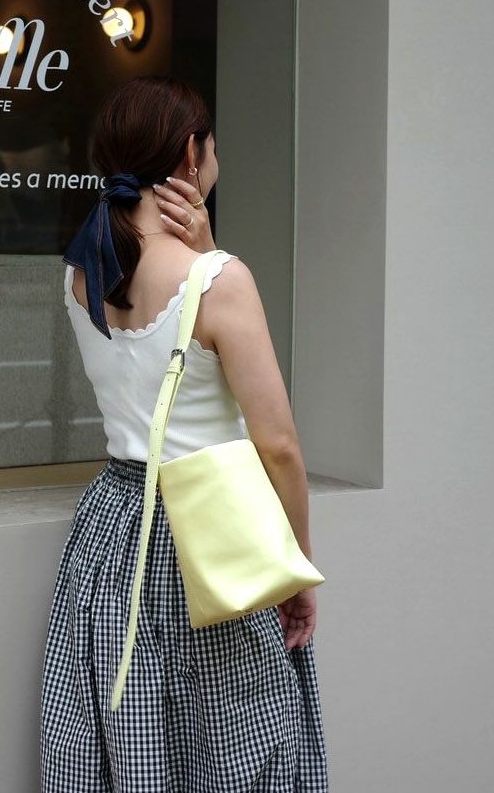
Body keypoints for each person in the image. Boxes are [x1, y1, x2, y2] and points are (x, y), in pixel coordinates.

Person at [40, 76, 328, 792]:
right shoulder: (220, 280)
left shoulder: (79, 273)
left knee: (134, 728)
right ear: (191, 157)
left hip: (112, 527)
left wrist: (208, 250)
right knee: (230, 743)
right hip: (208, 531)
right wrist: (295, 563)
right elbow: (279, 446)